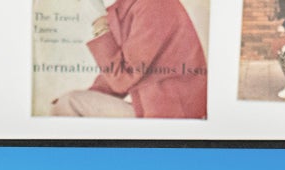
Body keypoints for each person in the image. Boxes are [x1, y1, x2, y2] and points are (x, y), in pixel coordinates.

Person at [50, 0, 207, 120]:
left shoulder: (153, 4)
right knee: (68, 103)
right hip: (152, 112)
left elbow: (122, 77)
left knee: (70, 103)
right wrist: (86, 96)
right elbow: (114, 75)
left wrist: (100, 23)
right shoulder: (127, 6)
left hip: (173, 116)